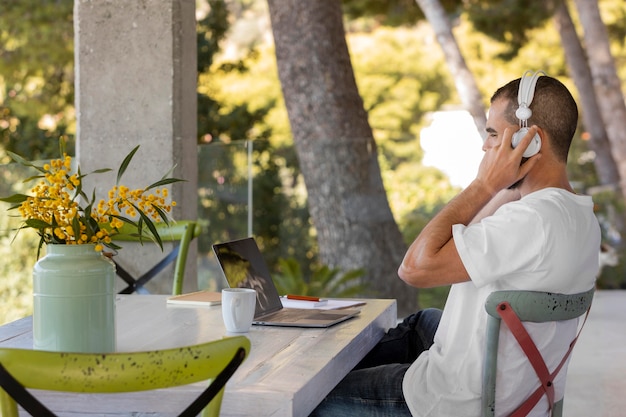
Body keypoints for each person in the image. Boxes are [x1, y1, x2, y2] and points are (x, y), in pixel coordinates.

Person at [310, 73, 600, 417]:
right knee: (423, 322)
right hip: (521, 387)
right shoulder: (578, 213)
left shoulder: (531, 221)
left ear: (530, 140)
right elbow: (465, 234)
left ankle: (316, 378)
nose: (485, 146)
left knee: (309, 399)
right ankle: (328, 369)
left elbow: (414, 268)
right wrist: (504, 186)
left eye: (493, 134)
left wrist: (483, 184)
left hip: (455, 400)